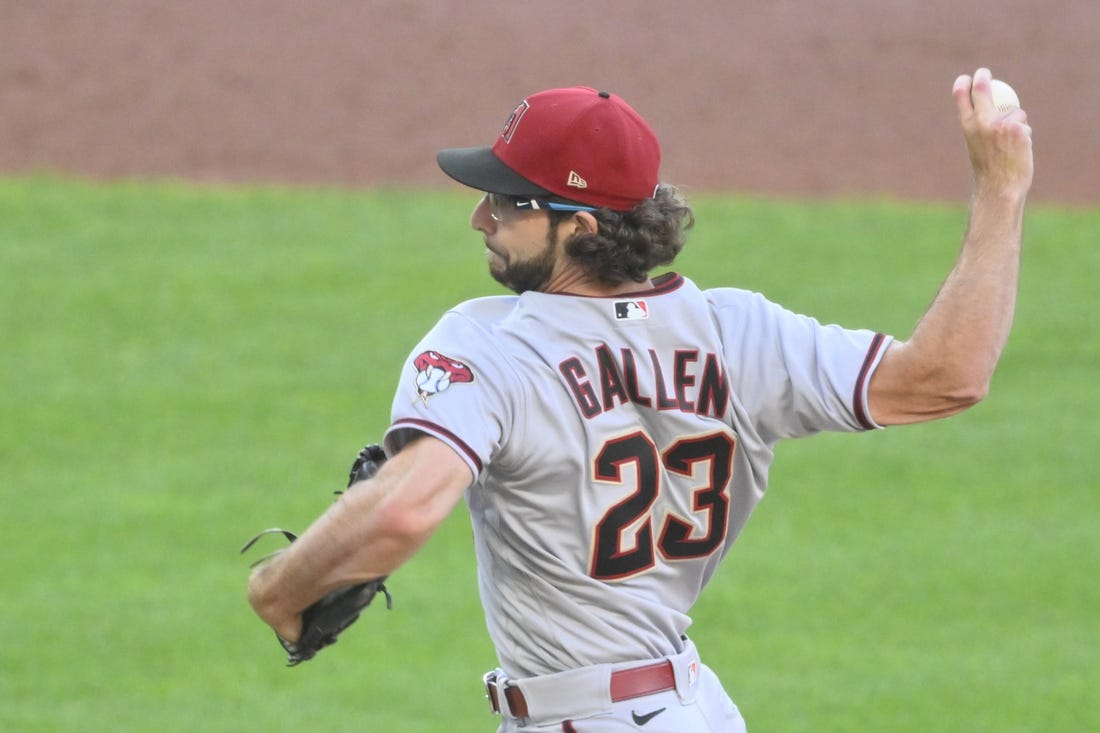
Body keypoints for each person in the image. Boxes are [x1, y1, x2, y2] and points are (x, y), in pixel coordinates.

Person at [247, 68, 1032, 731]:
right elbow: (946, 376)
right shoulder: (739, 331)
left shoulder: (488, 343)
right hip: (697, 711)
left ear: (580, 226)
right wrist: (1001, 189)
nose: (481, 217)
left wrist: (279, 588)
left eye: (512, 204)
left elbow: (400, 510)